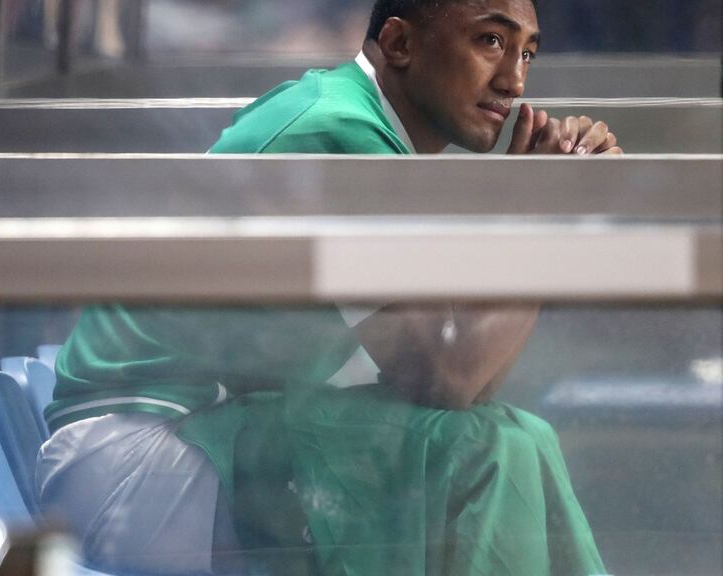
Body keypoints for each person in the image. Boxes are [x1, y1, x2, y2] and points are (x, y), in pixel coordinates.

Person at [36, 1, 620, 574]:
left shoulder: (365, 127)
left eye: (527, 52)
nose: (514, 80)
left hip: (207, 435)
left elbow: (472, 380)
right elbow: (449, 375)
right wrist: (545, 209)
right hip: (139, 457)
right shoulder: (337, 133)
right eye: (490, 41)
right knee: (485, 450)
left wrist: (537, 203)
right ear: (400, 44)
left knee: (515, 435)